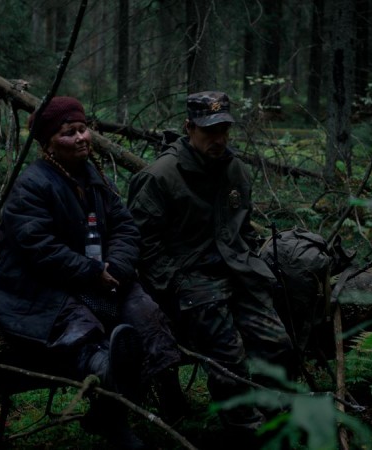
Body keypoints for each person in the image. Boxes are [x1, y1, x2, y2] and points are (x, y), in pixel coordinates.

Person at [0, 96, 182, 450]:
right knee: (84, 335)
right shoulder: (31, 185)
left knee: (146, 315)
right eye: (68, 133)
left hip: (98, 279)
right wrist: (91, 272)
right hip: (38, 288)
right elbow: (39, 248)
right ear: (48, 144)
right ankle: (113, 415)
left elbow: (125, 227)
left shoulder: (94, 177)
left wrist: (116, 267)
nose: (80, 138)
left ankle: (163, 402)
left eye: (82, 129)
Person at [127, 91, 295, 434]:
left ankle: (275, 418)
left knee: (276, 342)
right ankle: (244, 430)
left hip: (235, 270)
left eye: (224, 130)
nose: (218, 139)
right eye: (209, 131)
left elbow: (241, 227)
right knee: (229, 356)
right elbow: (142, 244)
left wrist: (251, 262)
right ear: (189, 128)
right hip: (189, 278)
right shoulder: (160, 176)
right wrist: (174, 283)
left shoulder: (234, 169)